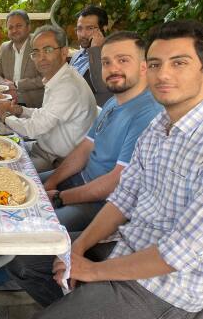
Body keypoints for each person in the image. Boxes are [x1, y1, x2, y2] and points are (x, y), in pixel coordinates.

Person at [7, 19, 203, 319]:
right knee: (23, 260)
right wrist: (77, 249)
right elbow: (123, 199)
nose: (163, 74)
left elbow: (178, 254)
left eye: (179, 63)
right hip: (123, 243)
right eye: (156, 64)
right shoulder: (157, 127)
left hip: (165, 288)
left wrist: (94, 271)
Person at [42, 31, 162, 232]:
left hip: (102, 204)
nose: (113, 68)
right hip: (78, 181)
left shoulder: (148, 114)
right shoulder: (114, 100)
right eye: (106, 62)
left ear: (144, 67)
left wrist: (58, 197)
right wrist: (51, 182)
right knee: (19, 186)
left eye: (123, 60)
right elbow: (86, 147)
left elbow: (115, 183)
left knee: (34, 227)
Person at [0, 25, 97, 172]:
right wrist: (18, 110)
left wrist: (5, 117)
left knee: (0, 172)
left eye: (48, 50)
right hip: (41, 147)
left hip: (56, 161)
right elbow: (44, 115)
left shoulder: (67, 86)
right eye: (36, 52)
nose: (41, 57)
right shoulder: (59, 77)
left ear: (64, 52)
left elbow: (34, 128)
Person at [0, 9, 44, 108]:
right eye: (10, 27)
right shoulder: (5, 47)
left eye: (19, 26)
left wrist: (17, 85)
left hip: (34, 106)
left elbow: (45, 78)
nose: (14, 30)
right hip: (8, 101)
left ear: (28, 27)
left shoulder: (39, 45)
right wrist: (6, 86)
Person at [70, 5, 112, 105]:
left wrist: (95, 50)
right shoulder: (78, 54)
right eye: (79, 29)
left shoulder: (111, 55)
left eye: (90, 28)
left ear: (104, 29)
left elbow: (101, 87)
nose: (83, 34)